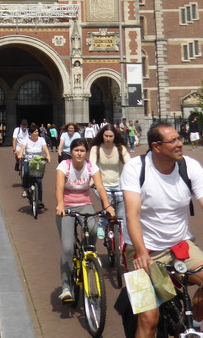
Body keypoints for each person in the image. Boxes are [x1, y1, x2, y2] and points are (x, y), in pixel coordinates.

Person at [122, 123, 203, 337]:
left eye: (179, 138)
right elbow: (132, 215)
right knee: (148, 319)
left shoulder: (190, 167)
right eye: (173, 141)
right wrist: (141, 252)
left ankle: (189, 324)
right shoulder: (135, 168)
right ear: (156, 147)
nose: (180, 144)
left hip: (179, 245)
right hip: (141, 251)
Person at [55, 139, 114, 302]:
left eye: (82, 151)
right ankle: (66, 287)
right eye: (76, 150)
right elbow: (59, 187)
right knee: (67, 248)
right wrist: (60, 204)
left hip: (85, 205)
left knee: (93, 230)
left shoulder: (91, 167)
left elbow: (100, 187)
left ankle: (89, 259)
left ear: (86, 153)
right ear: (71, 152)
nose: (79, 153)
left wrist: (107, 206)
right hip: (66, 207)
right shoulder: (64, 166)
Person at [89, 123, 130, 232]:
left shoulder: (120, 149)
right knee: (106, 207)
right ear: (102, 135)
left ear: (115, 136)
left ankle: (120, 237)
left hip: (119, 184)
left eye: (111, 136)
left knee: (121, 214)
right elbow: (91, 165)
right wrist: (92, 179)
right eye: (106, 136)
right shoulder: (96, 149)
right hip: (103, 185)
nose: (108, 138)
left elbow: (130, 164)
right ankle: (102, 224)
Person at [15, 124, 51, 204]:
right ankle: (25, 188)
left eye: (37, 131)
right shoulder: (26, 140)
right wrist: (20, 154)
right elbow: (23, 148)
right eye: (35, 132)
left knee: (39, 181)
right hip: (28, 160)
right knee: (26, 172)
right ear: (30, 133)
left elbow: (45, 148)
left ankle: (40, 201)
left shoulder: (41, 140)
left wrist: (48, 155)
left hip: (38, 161)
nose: (37, 133)